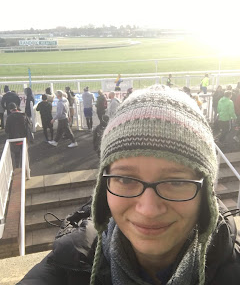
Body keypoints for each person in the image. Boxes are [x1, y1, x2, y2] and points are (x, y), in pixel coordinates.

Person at [18, 85, 240, 285]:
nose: (149, 210)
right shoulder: (65, 267)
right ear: (103, 189)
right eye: (125, 179)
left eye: (176, 181)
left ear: (206, 193)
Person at [5, 102, 28, 168]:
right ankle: (25, 168)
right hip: (24, 138)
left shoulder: (9, 117)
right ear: (16, 107)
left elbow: (7, 130)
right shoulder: (23, 115)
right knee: (24, 154)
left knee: (16, 155)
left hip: (14, 139)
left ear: (10, 109)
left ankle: (17, 167)